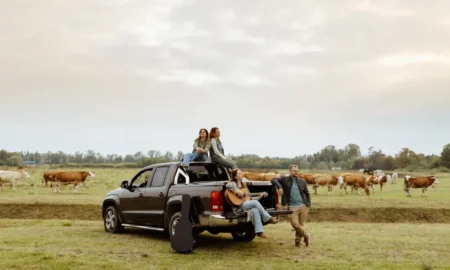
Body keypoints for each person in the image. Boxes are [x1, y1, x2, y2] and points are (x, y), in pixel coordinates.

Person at [226, 169, 278, 238]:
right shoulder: (232, 184)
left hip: (244, 205)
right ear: (235, 177)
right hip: (237, 207)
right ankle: (267, 218)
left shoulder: (244, 186)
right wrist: (237, 191)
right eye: (239, 174)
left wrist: (259, 197)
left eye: (241, 173)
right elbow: (227, 185)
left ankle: (259, 231)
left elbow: (250, 199)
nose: (241, 174)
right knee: (255, 203)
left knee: (255, 209)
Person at [271, 165, 311, 247]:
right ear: (290, 171)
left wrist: (308, 203)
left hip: (303, 206)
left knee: (300, 224)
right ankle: (306, 235)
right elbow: (273, 179)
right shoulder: (285, 179)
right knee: (295, 224)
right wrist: (279, 187)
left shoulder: (302, 181)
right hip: (292, 206)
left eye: (297, 170)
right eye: (294, 171)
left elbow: (307, 193)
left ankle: (297, 242)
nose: (296, 172)